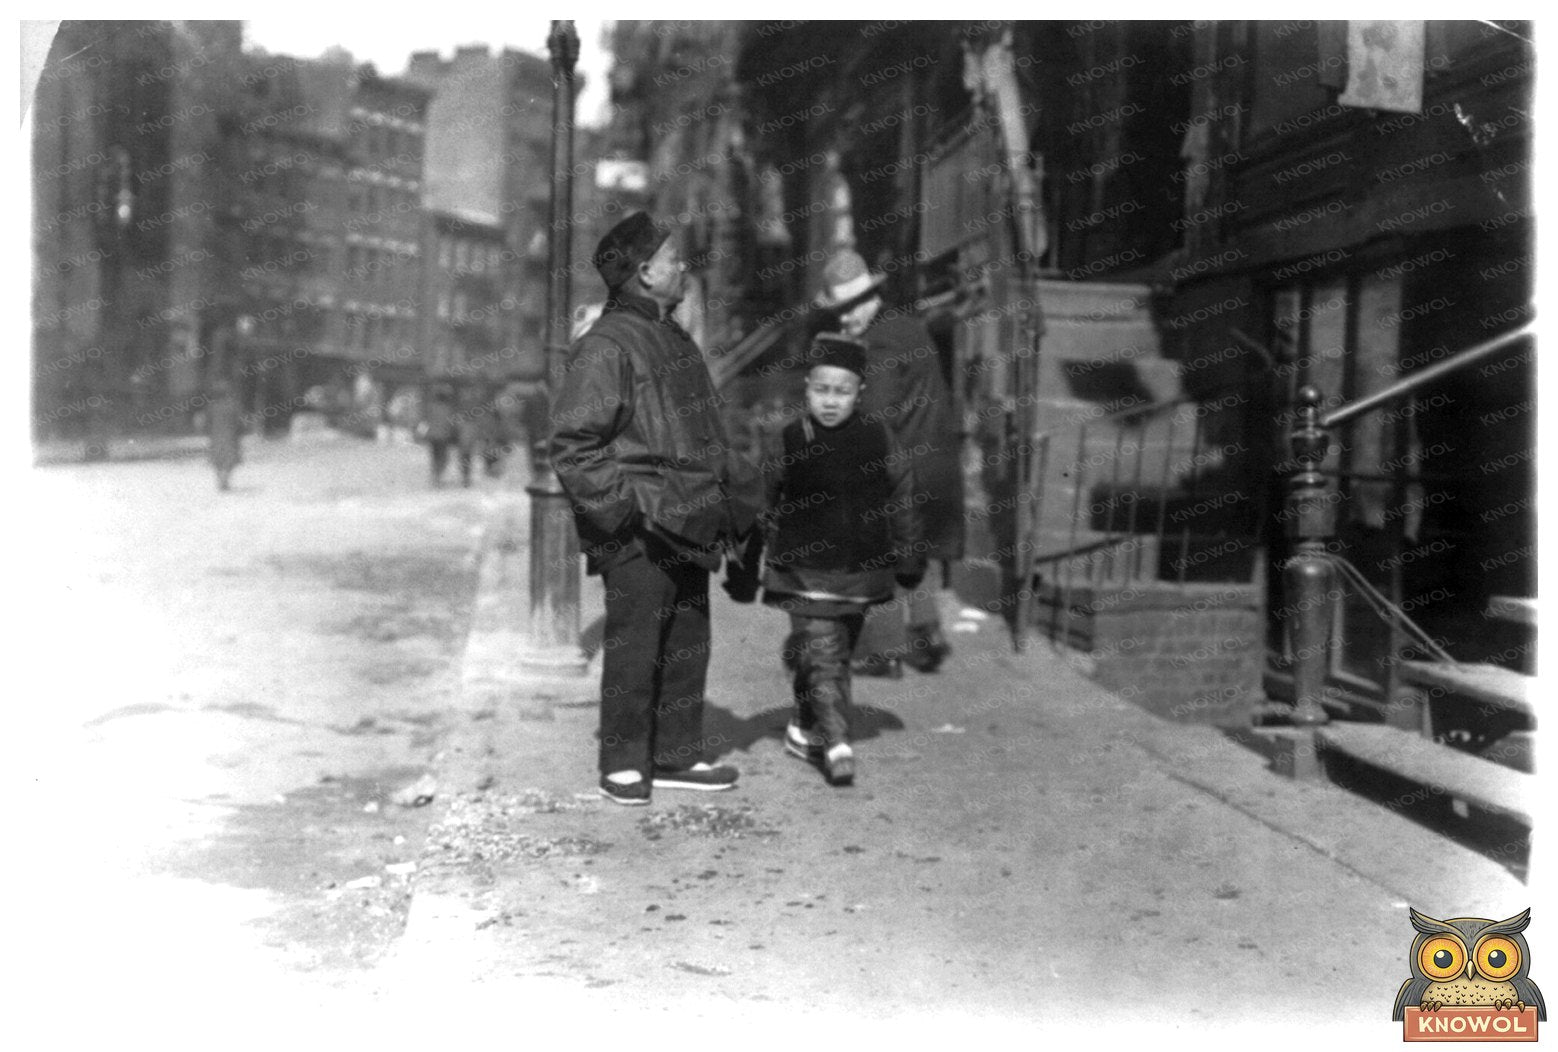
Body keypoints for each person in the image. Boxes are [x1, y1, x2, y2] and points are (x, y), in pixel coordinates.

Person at [550, 212, 760, 806]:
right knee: (636, 645)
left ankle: (674, 755)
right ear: (644, 272)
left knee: (687, 639)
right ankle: (622, 762)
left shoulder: (674, 339)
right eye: (673, 258)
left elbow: (703, 434)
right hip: (641, 527)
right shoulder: (607, 344)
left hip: (688, 518)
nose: (683, 266)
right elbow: (573, 443)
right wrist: (624, 513)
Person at [758, 333, 925, 786]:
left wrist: (910, 554)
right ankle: (837, 744)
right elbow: (763, 500)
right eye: (822, 390)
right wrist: (749, 554)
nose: (830, 401)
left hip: (861, 570)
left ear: (860, 392)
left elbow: (903, 496)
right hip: (802, 569)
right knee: (825, 652)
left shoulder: (877, 436)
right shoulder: (790, 437)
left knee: (830, 652)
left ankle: (803, 725)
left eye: (842, 392)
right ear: (807, 387)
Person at [813, 249, 964, 676]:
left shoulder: (877, 343)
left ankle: (881, 652)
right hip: (934, 464)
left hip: (903, 471)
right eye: (839, 311)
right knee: (914, 551)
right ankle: (926, 636)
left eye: (849, 309)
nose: (844, 319)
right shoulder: (908, 327)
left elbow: (875, 419)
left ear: (868, 300)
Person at [206, 376, 243, 492]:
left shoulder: (212, 406)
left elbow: (207, 422)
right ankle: (224, 479)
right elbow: (240, 421)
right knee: (230, 459)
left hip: (216, 436)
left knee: (218, 459)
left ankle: (221, 480)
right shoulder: (233, 405)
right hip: (230, 436)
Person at [421, 384, 457, 486]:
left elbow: (426, 420)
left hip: (433, 436)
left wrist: (423, 434)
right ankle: (439, 476)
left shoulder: (431, 407)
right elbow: (451, 423)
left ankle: (435, 476)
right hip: (443, 436)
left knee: (435, 456)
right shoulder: (448, 409)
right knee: (443, 457)